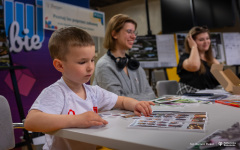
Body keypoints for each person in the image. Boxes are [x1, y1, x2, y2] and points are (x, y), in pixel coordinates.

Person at [24, 27, 155, 150]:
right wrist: (77, 120)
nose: (90, 67)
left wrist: (136, 104)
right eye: (82, 62)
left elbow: (121, 101)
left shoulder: (94, 92)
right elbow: (31, 121)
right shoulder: (57, 92)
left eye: (92, 60)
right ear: (60, 65)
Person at [93, 14, 156, 100]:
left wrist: (128, 99)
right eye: (129, 31)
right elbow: (116, 100)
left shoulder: (134, 65)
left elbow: (151, 94)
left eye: (134, 32)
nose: (133, 36)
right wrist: (143, 98)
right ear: (114, 34)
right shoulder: (103, 65)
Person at [177, 26, 220, 94]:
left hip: (209, 95)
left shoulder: (212, 60)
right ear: (192, 42)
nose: (206, 42)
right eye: (201, 40)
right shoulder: (185, 58)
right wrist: (194, 47)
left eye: (207, 38)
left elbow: (221, 78)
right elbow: (195, 66)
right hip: (189, 95)